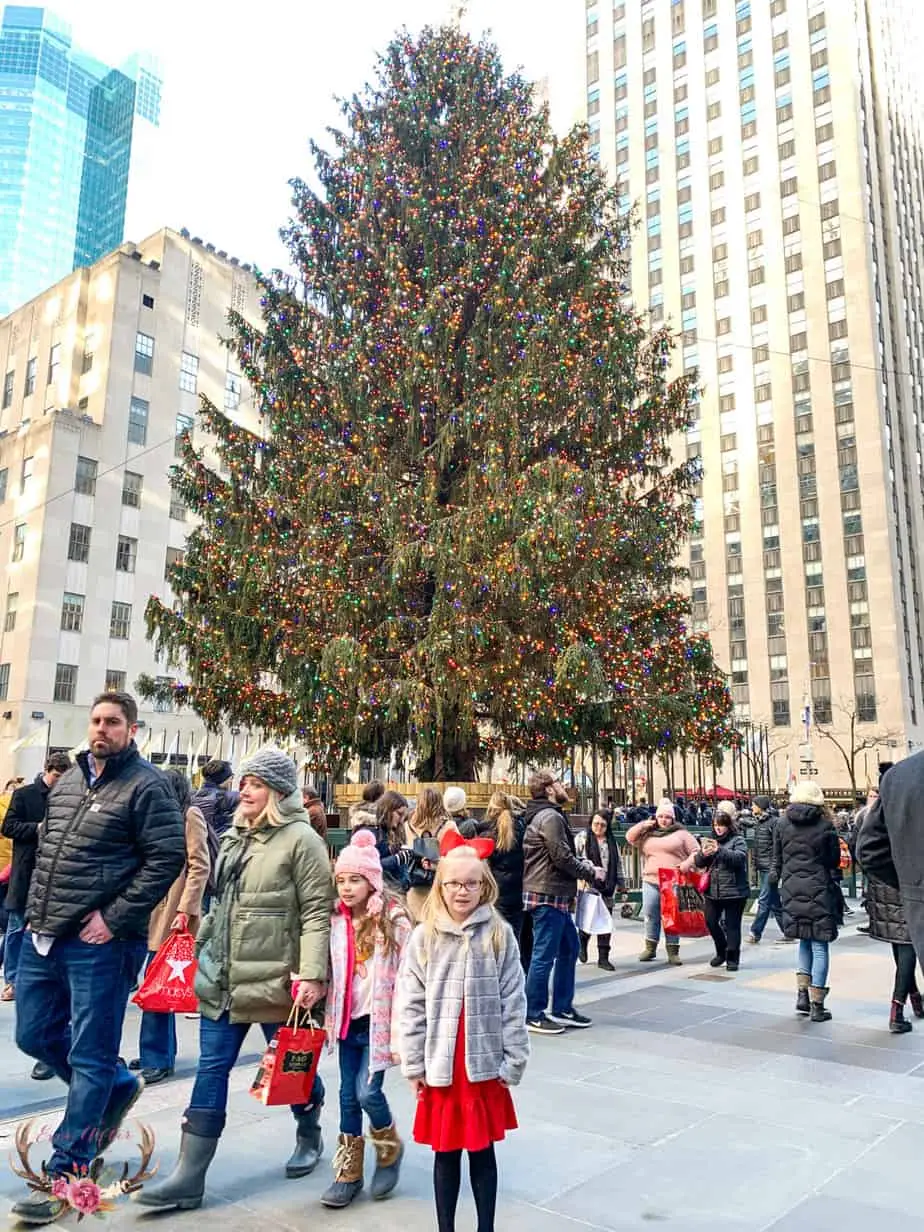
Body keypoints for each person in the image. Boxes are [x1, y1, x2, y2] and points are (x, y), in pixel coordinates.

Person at [11, 692, 185, 1226]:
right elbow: (49, 849)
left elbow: (168, 858)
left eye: (112, 722)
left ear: (132, 730)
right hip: (46, 934)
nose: (100, 729)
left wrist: (113, 917)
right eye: (95, 720)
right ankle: (116, 1085)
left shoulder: (147, 785)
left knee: (89, 1055)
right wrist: (34, 916)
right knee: (33, 1036)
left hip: (102, 945)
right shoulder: (68, 780)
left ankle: (67, 1169)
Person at [136, 748, 333, 1212]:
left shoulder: (301, 840)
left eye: (256, 783)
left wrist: (312, 974)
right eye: (244, 781)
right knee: (212, 1068)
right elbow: (222, 900)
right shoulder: (233, 835)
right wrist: (201, 938)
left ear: (278, 792)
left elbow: (317, 912)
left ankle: (309, 1125)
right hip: (223, 975)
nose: (244, 789)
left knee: (290, 1066)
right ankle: (189, 1177)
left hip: (274, 980)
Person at [397, 830, 529, 1232]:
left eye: (471, 883)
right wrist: (413, 1063)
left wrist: (515, 1058)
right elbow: (411, 1003)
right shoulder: (425, 936)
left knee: (483, 1152)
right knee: (446, 1154)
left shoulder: (499, 933)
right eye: (454, 883)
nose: (462, 891)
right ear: (441, 885)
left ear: (484, 885)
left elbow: (514, 999)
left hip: (483, 1061)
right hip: (442, 1061)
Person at [321, 829, 412, 1208]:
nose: (346, 888)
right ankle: (348, 1173)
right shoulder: (334, 920)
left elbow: (411, 968)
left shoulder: (393, 920)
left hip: (379, 1024)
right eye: (341, 880)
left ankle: (389, 1148)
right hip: (346, 1021)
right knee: (346, 1097)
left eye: (355, 880)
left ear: (372, 881)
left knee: (367, 1091)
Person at [133, 770, 210, 1083]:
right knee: (154, 985)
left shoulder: (189, 814)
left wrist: (185, 909)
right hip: (151, 910)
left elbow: (199, 865)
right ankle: (156, 1051)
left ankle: (158, 1057)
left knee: (158, 985)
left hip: (171, 915)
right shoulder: (158, 815)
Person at [522, 771, 602, 1034]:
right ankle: (533, 1013)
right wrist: (591, 871)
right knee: (544, 955)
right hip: (546, 895)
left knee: (569, 948)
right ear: (548, 789)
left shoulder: (548, 814)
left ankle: (562, 1008)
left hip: (554, 894)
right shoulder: (550, 817)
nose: (564, 785)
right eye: (558, 782)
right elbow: (561, 857)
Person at [856, 769, 924, 1034]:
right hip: (901, 891)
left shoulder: (898, 781)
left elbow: (867, 851)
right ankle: (901, 1007)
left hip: (900, 889)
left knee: (903, 949)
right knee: (904, 950)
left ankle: (912, 1001)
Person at [1, 752, 71, 1007]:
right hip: (26, 869)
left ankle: (38, 981)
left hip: (53, 873)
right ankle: (12, 979)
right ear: (46, 771)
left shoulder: (69, 798)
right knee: (17, 927)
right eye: (55, 777)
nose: (57, 782)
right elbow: (8, 827)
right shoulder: (25, 795)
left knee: (46, 929)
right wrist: (37, 828)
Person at [769, 781, 842, 1022]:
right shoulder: (826, 827)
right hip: (819, 889)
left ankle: (802, 994)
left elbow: (776, 858)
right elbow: (833, 861)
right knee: (820, 945)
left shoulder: (781, 824)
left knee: (803, 940)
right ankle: (818, 1005)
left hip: (791, 888)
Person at [626, 799, 700, 965]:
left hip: (672, 880)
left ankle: (673, 950)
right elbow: (630, 837)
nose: (664, 820)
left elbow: (696, 851)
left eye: (667, 817)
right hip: (651, 879)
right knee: (650, 913)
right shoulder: (648, 834)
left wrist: (687, 864)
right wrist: (645, 824)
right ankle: (650, 947)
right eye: (660, 816)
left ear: (673, 818)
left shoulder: (682, 834)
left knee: (672, 915)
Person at [461, 790, 527, 942]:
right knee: (514, 938)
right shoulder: (522, 830)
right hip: (518, 891)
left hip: (495, 892)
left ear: (490, 809)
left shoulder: (486, 833)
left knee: (494, 938)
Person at [695, 808, 749, 971]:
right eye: (716, 825)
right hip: (713, 890)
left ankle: (732, 958)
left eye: (722, 825)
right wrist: (703, 854)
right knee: (710, 922)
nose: (718, 828)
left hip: (734, 891)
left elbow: (739, 858)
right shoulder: (710, 839)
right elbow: (699, 863)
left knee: (732, 926)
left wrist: (720, 850)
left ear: (728, 826)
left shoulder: (737, 840)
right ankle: (721, 950)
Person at [576, 811, 626, 971]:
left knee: (605, 921)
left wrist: (622, 884)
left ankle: (603, 957)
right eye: (596, 823)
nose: (599, 827)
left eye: (603, 825)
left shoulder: (611, 842)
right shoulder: (582, 838)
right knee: (588, 919)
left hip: (607, 886)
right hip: (588, 884)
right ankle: (582, 942)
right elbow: (572, 858)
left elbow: (618, 864)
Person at [404, 787, 458, 922]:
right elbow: (457, 856)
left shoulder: (407, 826)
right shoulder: (448, 826)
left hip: (414, 886)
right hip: (440, 888)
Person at [746, 795, 784, 945]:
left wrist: (775, 867)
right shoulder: (760, 822)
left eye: (754, 805)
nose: (752, 807)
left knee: (763, 900)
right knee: (774, 902)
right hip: (764, 865)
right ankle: (788, 931)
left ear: (760, 806)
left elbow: (776, 847)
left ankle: (755, 932)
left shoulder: (772, 823)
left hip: (769, 866)